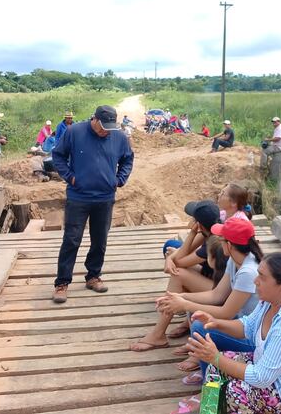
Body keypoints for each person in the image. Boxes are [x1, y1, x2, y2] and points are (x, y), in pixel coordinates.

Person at [184, 252, 281, 414]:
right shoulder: (270, 302)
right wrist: (215, 322)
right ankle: (208, 411)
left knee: (233, 392)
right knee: (215, 369)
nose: (255, 280)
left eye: (262, 276)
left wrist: (215, 357)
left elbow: (261, 377)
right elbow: (247, 327)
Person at [157, 218, 263, 378]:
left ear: (229, 245)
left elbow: (226, 312)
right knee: (200, 317)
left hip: (254, 336)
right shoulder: (236, 261)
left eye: (221, 240)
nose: (219, 243)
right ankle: (206, 368)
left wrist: (185, 304)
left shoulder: (248, 271)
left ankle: (208, 384)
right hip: (242, 322)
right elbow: (216, 295)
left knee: (202, 326)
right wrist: (181, 296)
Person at [51, 105, 134, 303]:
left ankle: (93, 276)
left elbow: (128, 159)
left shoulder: (119, 136)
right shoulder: (74, 131)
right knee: (71, 239)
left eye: (110, 127)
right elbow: (58, 156)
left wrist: (119, 179)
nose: (106, 131)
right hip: (78, 196)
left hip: (104, 197)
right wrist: (71, 178)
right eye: (102, 126)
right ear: (94, 120)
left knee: (100, 239)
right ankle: (62, 283)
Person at [131, 200, 223, 351]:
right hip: (213, 279)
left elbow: (180, 261)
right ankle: (171, 325)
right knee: (173, 258)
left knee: (177, 273)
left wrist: (192, 233)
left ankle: (158, 334)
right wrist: (170, 258)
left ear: (198, 224)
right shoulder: (212, 229)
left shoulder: (212, 242)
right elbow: (179, 256)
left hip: (220, 289)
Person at [260, 116, 281, 184]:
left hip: (279, 147)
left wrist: (268, 140)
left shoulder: (280, 128)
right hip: (278, 146)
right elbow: (275, 138)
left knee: (264, 151)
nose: (274, 123)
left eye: (275, 122)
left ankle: (263, 167)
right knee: (266, 147)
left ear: (279, 121)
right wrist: (270, 140)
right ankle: (267, 165)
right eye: (273, 122)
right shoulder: (278, 128)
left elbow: (278, 138)